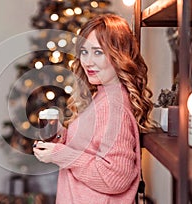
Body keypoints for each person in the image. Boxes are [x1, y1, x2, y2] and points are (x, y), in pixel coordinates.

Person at [33, 14, 154, 204]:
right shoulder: (104, 93)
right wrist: (60, 137)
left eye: (98, 52)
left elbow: (115, 177)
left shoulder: (113, 106)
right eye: (84, 51)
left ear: (118, 54)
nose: (87, 61)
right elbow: (93, 147)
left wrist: (61, 155)